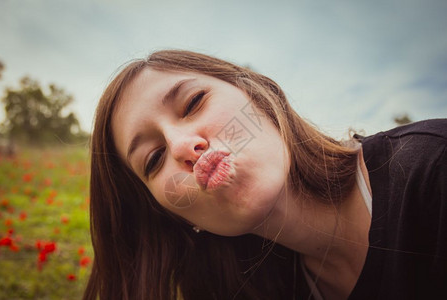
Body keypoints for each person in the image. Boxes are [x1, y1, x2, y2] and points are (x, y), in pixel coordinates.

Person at [84, 49, 447, 300]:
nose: (181, 146)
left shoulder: (434, 167)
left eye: (193, 103)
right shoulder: (254, 289)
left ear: (259, 95)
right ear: (173, 215)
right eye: (154, 159)